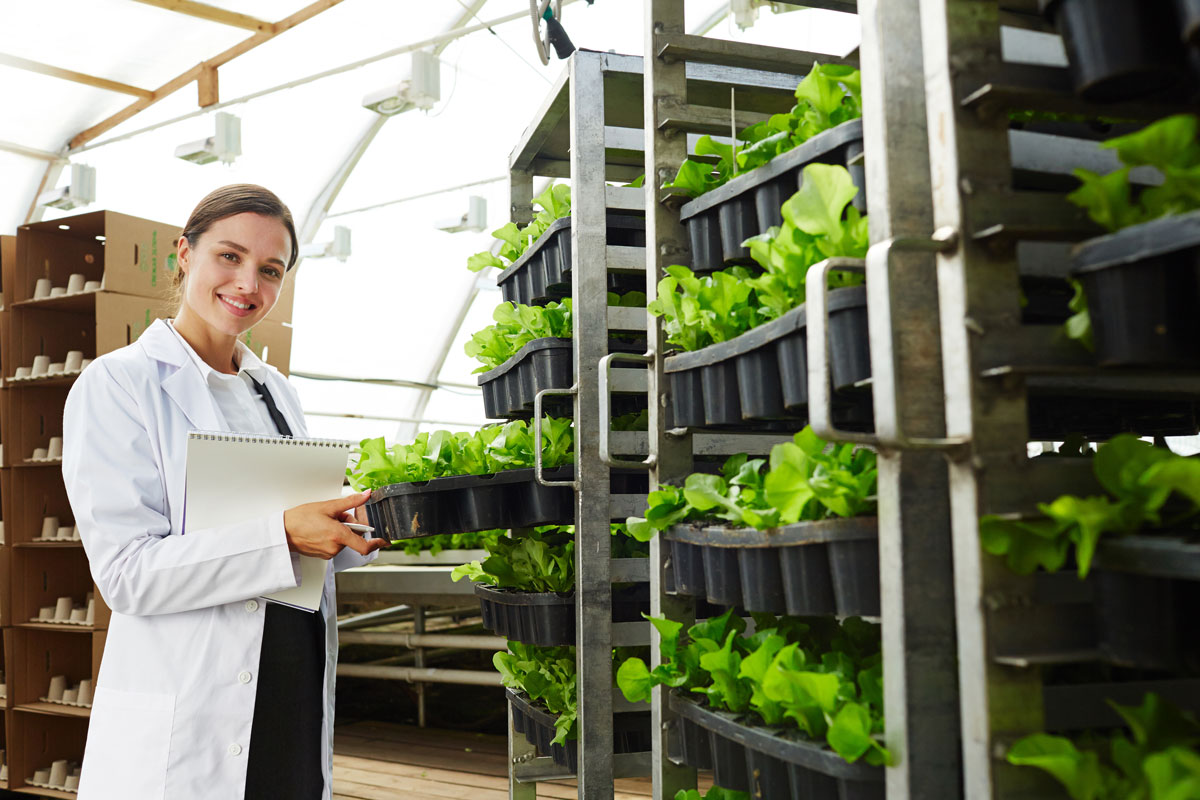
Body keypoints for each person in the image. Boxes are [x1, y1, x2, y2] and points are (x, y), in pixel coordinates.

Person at [62, 184, 386, 800]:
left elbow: (299, 536)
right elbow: (128, 574)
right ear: (184, 254)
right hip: (194, 702)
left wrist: (353, 527)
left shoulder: (276, 391)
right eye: (229, 257)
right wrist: (285, 532)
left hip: (289, 686)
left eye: (270, 270)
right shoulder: (120, 385)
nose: (248, 284)